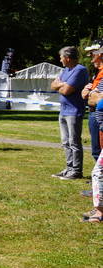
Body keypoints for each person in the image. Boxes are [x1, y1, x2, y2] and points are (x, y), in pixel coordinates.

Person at [51, 45, 89, 180]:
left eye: (61, 57)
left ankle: (76, 171)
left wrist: (61, 85)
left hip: (74, 111)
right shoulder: (65, 70)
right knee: (65, 142)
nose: (60, 60)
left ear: (67, 58)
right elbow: (53, 85)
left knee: (74, 142)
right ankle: (69, 168)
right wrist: (63, 84)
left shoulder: (80, 70)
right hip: (63, 110)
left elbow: (67, 90)